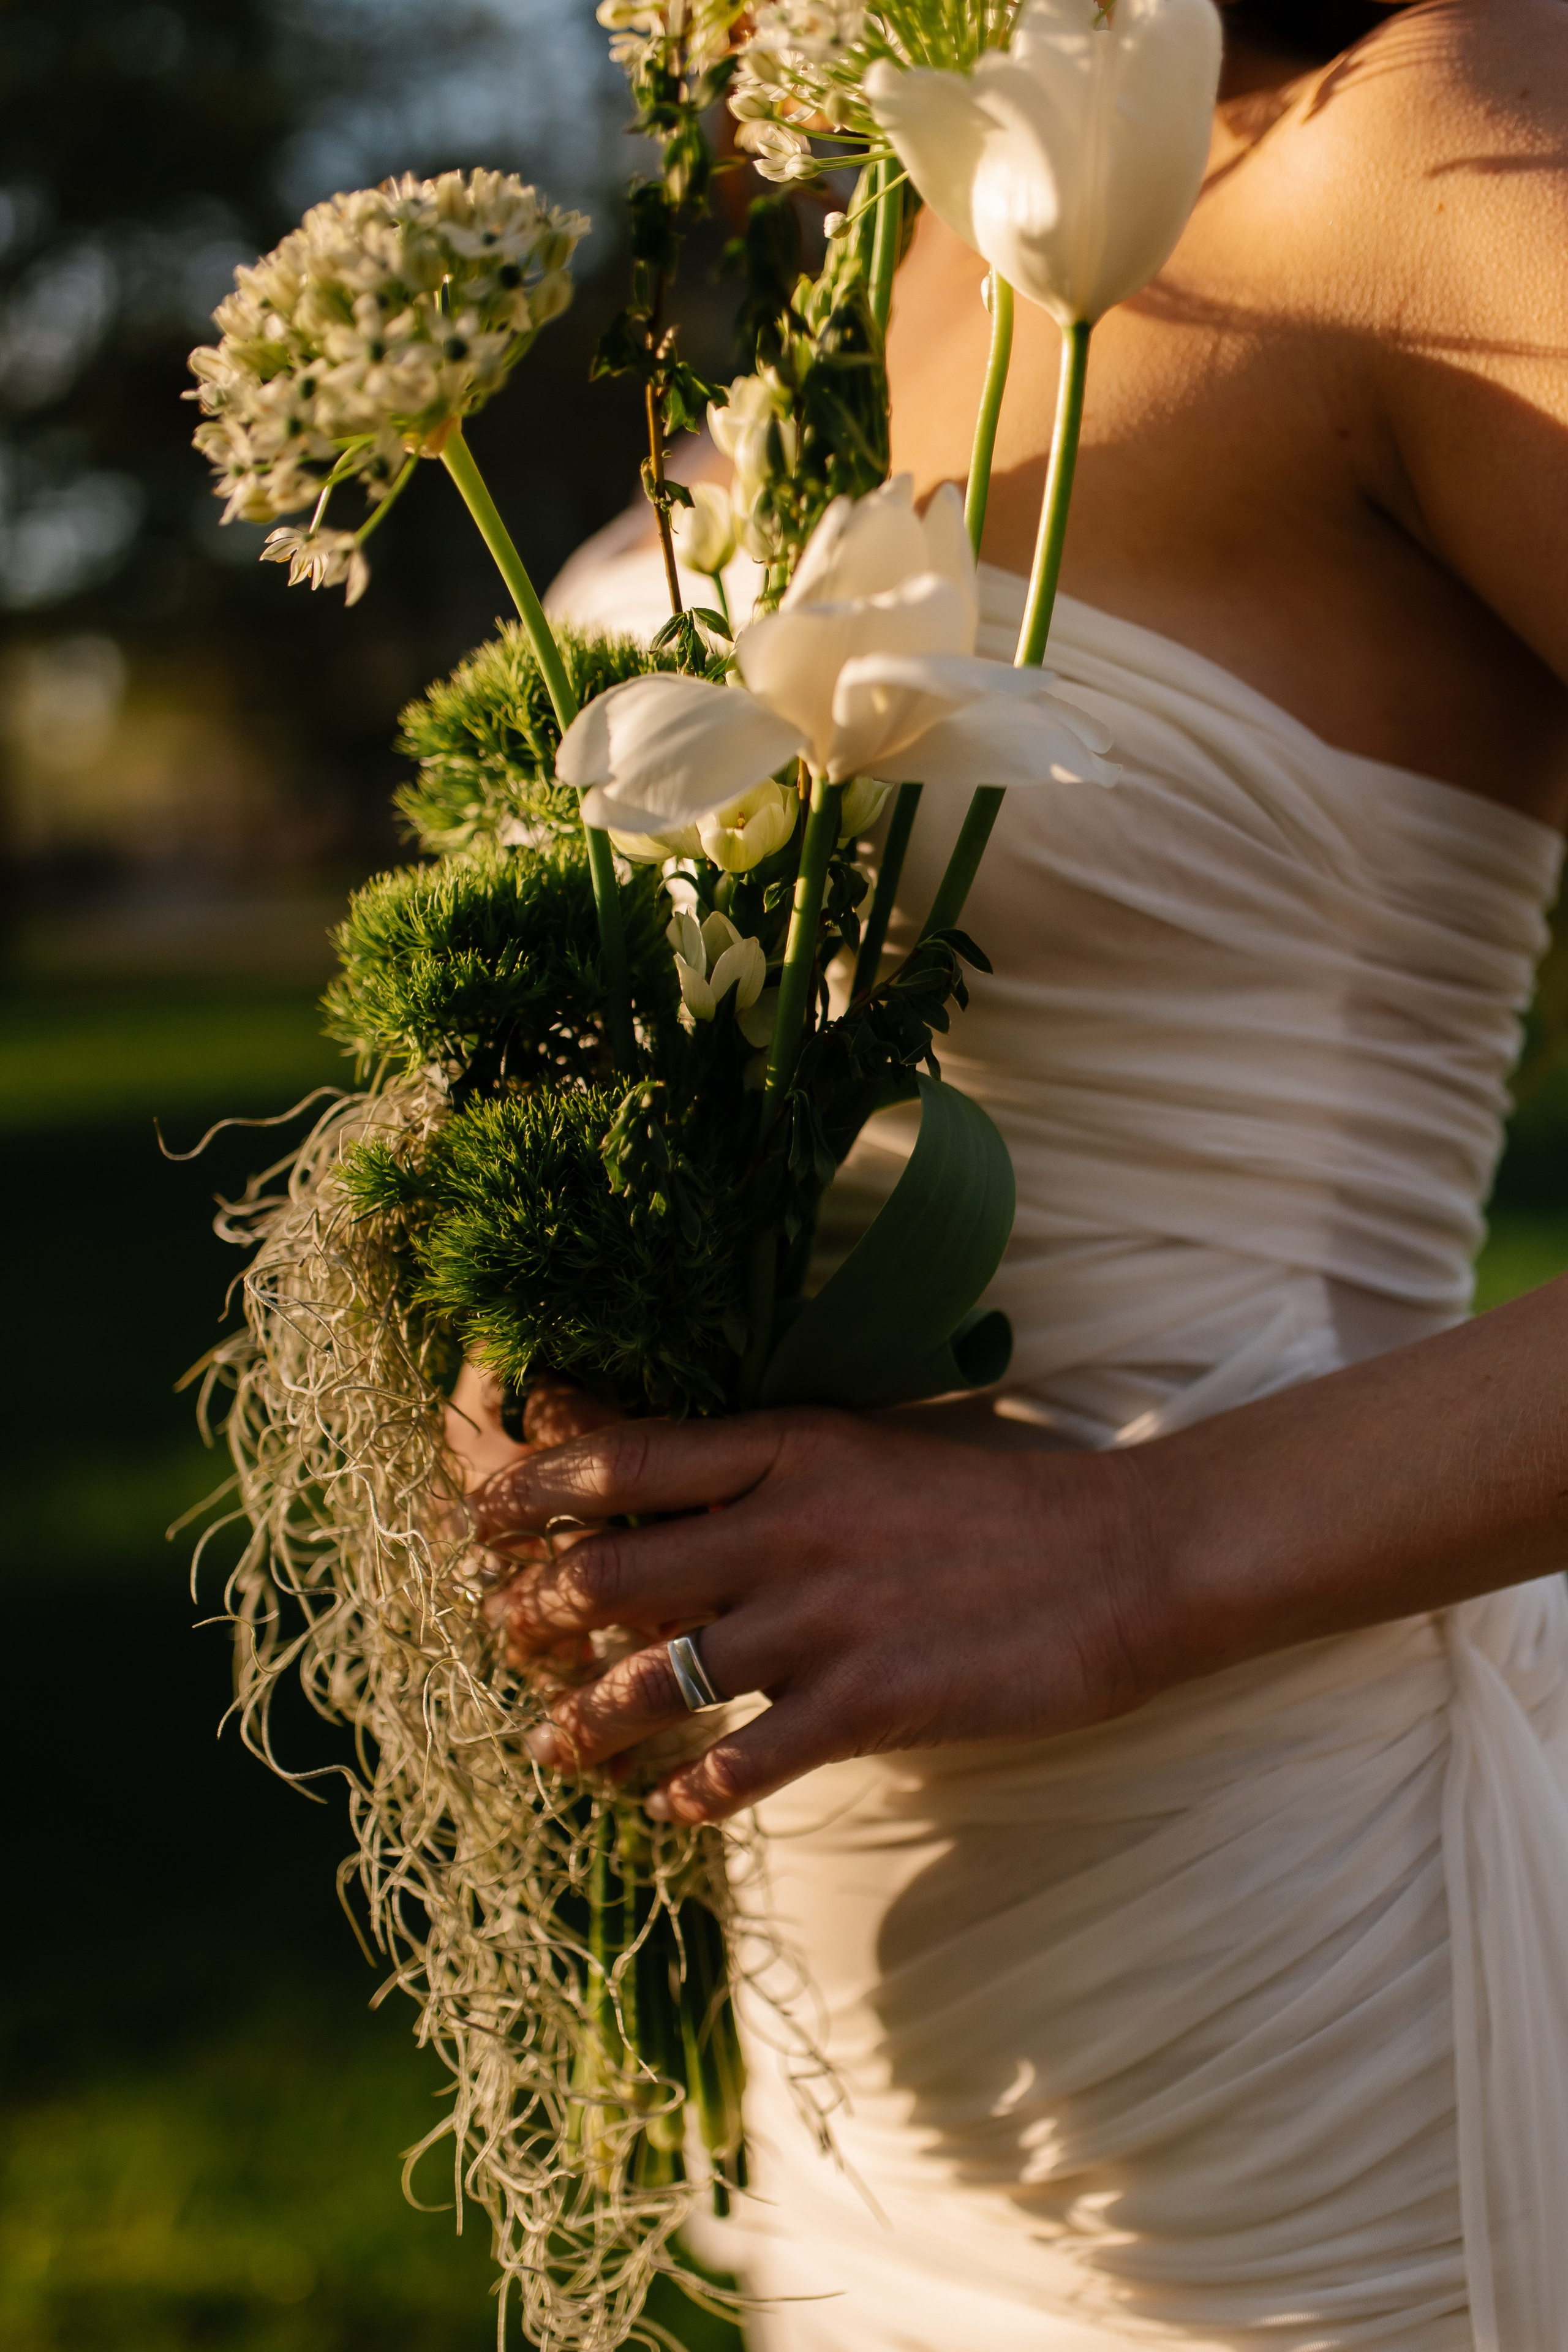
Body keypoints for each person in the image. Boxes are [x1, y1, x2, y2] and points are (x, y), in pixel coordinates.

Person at [453, 2, 1568, 2342]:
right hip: (866, 1976)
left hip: (1285, 1937)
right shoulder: (898, 212)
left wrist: (1139, 1550)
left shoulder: (1422, 154)